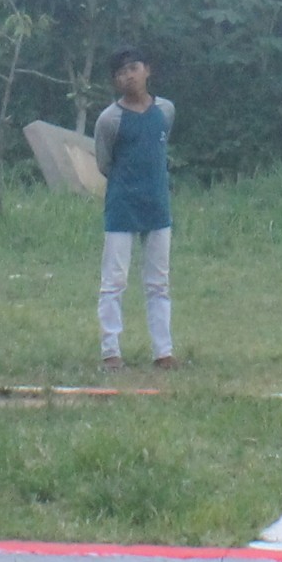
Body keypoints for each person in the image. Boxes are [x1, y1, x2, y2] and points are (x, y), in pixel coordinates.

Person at [91, 47, 175, 372]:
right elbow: (104, 163)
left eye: (134, 68)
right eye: (121, 72)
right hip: (122, 206)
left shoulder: (165, 111)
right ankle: (111, 353)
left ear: (147, 70)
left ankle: (163, 352)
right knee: (114, 281)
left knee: (158, 282)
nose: (129, 76)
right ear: (115, 81)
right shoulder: (110, 120)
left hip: (157, 205)